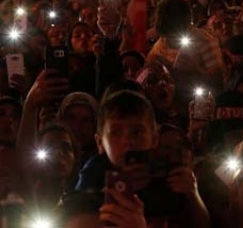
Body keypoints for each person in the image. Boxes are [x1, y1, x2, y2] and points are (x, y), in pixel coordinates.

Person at [72, 89, 210, 227]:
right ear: (100, 142)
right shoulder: (94, 174)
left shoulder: (165, 170)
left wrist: (193, 196)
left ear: (154, 138)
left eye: (137, 132)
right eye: (116, 132)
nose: (127, 140)